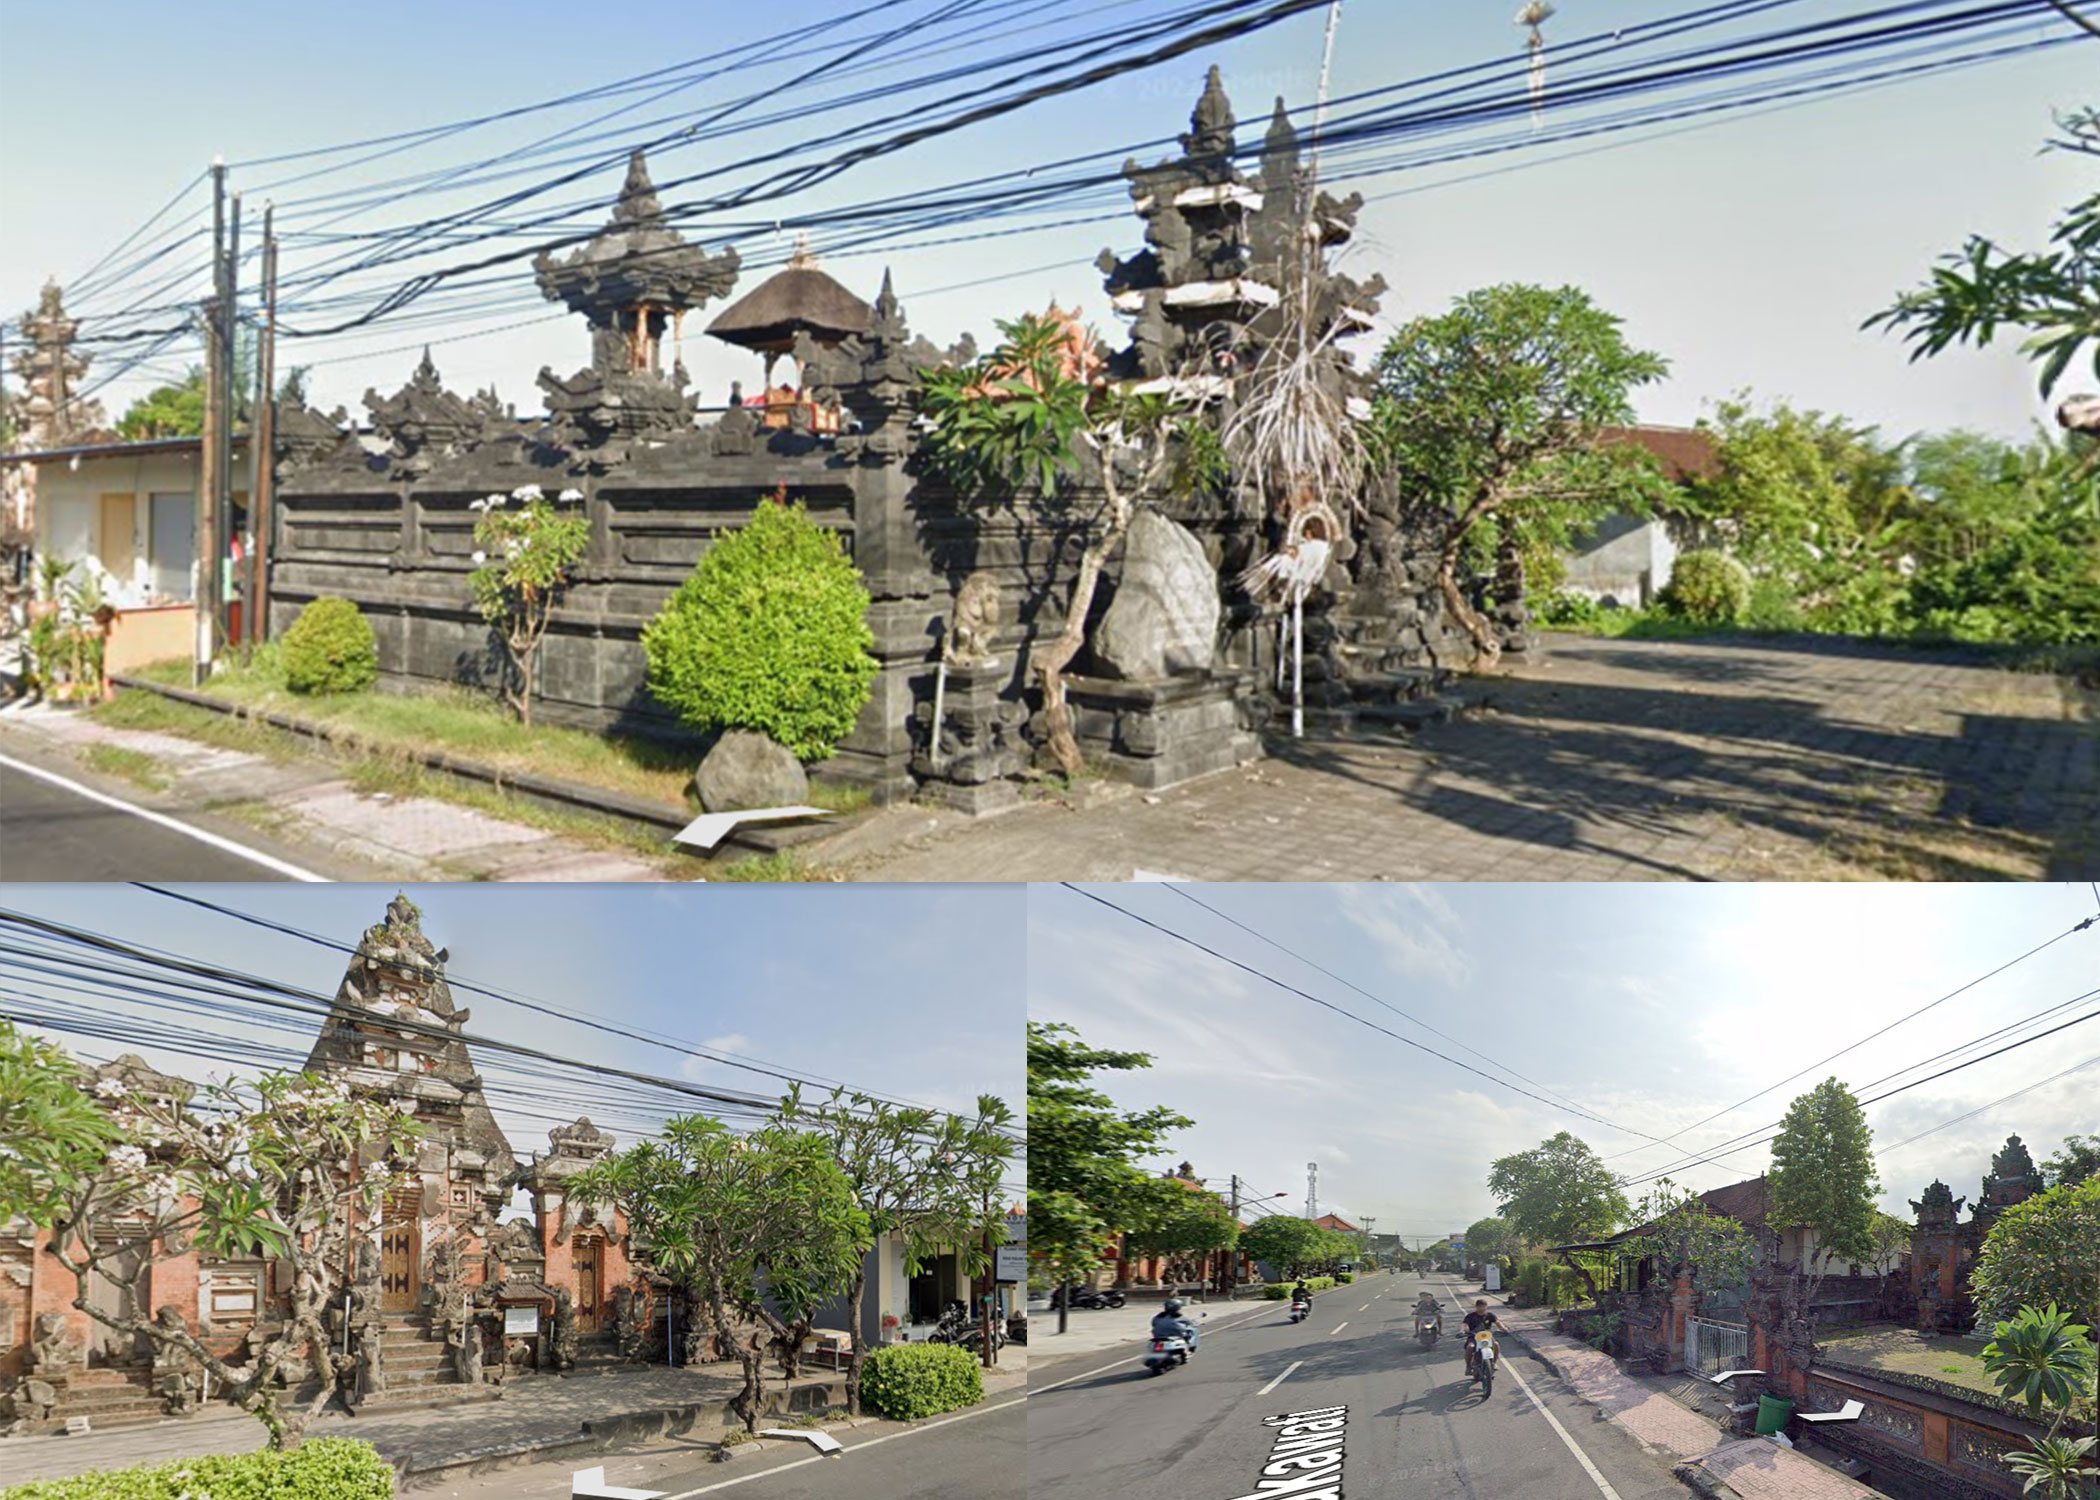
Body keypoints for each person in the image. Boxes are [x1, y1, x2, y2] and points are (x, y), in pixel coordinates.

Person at [1462, 1298, 1500, 1375]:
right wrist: (1463, 1331)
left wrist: (1504, 1328)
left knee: (1496, 1344)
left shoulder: (1490, 1315)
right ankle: (1468, 1366)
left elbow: (1498, 1322)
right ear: (1476, 1307)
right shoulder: (1470, 1316)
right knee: (1470, 1347)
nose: (1481, 1308)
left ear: (1486, 1307)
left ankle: (1494, 1363)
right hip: (1474, 1336)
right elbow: (1464, 1325)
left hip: (1487, 1336)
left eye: (1483, 1306)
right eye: (1480, 1306)